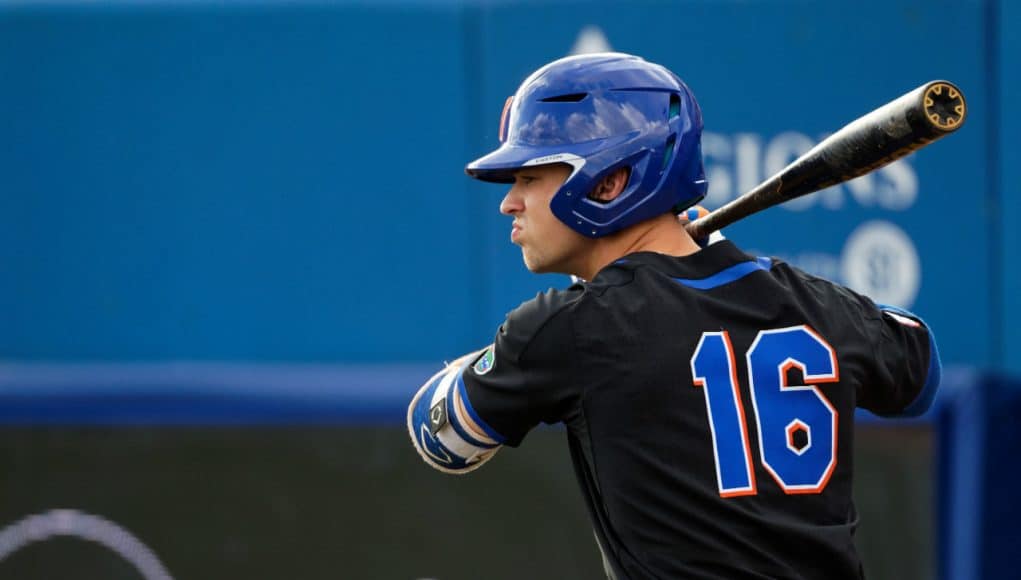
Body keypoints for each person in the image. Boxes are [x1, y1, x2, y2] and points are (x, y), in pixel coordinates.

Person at [407, 52, 940, 579]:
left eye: (528, 178)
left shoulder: (567, 327)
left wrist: (524, 338)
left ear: (607, 182)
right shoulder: (810, 302)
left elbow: (443, 439)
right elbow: (918, 371)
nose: (510, 203)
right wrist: (738, 268)